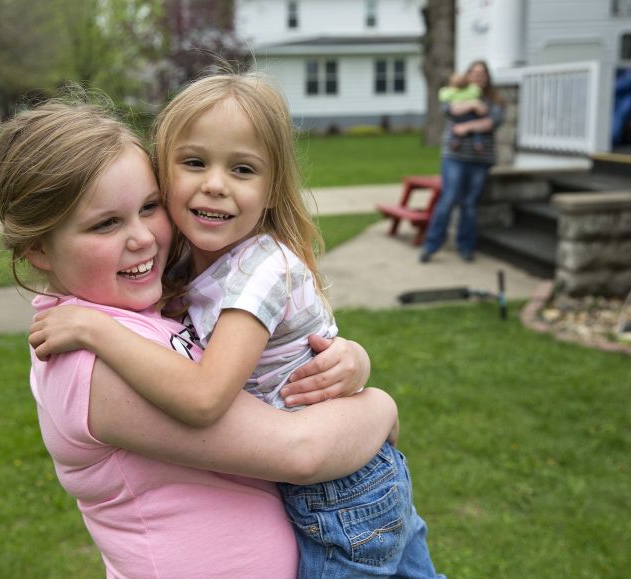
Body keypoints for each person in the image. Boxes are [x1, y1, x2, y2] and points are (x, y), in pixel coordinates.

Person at [29, 72, 444, 578]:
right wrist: (376, 404)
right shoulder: (102, 348)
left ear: (272, 189)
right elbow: (261, 428)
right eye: (194, 162)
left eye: (147, 208)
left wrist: (361, 373)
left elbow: (209, 391)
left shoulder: (243, 271)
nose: (215, 184)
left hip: (341, 496)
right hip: (329, 481)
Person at [420, 60, 504, 264]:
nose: (478, 76)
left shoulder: (495, 100)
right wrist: (475, 106)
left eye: (482, 73)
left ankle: (465, 246)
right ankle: (431, 245)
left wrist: (467, 128)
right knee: (448, 200)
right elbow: (451, 110)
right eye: (474, 72)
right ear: (468, 75)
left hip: (480, 160)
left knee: (469, 204)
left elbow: (491, 122)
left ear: (487, 77)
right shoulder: (455, 91)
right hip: (454, 157)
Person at [438, 72, 485, 152]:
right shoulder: (471, 91)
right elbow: (450, 109)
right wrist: (473, 104)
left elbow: (444, 98)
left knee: (455, 129)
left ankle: (455, 141)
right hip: (470, 116)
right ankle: (478, 143)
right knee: (476, 132)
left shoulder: (450, 92)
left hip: (459, 119)